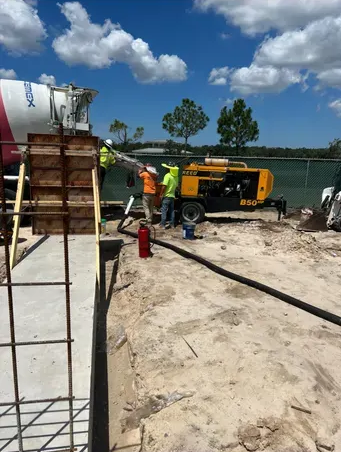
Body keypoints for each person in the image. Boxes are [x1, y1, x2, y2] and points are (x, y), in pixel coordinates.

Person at [159, 162, 179, 229]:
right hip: (172, 196)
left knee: (164, 210)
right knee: (171, 210)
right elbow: (177, 187)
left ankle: (163, 224)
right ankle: (172, 224)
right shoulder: (176, 177)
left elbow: (164, 186)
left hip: (166, 196)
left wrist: (161, 194)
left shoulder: (167, 176)